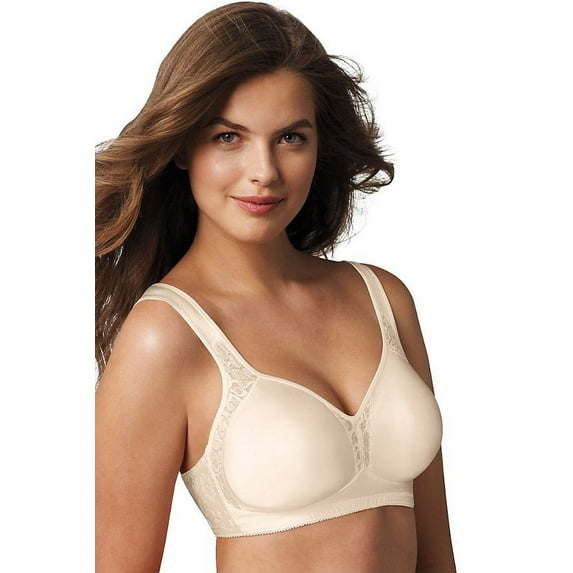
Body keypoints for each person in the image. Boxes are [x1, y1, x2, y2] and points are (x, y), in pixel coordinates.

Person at [95, 2, 456, 571]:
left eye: (290, 137)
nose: (263, 171)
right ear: (184, 146)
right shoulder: (164, 336)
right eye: (228, 137)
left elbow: (438, 556)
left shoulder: (382, 298)